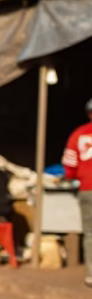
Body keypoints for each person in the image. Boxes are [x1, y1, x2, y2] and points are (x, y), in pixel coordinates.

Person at [61, 97, 92, 289]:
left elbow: (69, 165)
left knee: (90, 233)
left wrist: (72, 176)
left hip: (87, 189)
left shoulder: (78, 134)